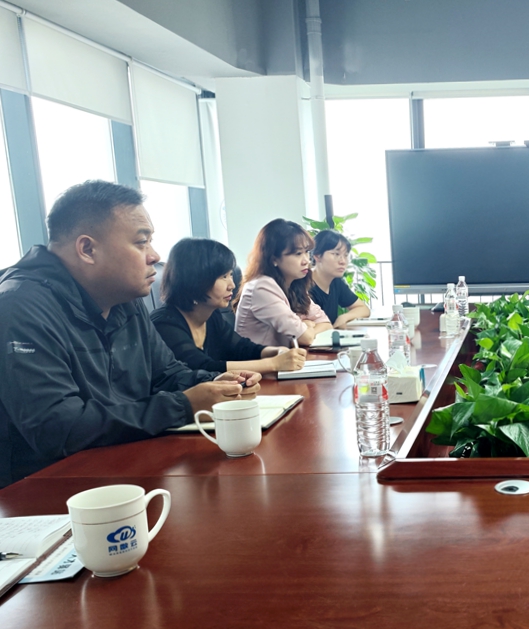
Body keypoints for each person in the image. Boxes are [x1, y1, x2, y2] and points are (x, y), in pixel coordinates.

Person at [0, 180, 261, 487]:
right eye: (141, 242)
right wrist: (183, 405)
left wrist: (215, 383)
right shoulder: (20, 306)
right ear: (87, 249)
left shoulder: (123, 298)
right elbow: (57, 428)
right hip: (49, 491)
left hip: (129, 467)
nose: (154, 255)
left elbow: (166, 374)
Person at [151, 238, 308, 374]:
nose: (232, 285)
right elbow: (201, 367)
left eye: (231, 275)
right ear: (196, 281)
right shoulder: (164, 324)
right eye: (223, 277)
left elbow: (241, 348)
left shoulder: (211, 315)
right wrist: (273, 364)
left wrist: (276, 352)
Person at [235, 219, 333, 347]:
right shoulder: (261, 288)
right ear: (274, 259)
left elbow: (326, 324)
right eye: (298, 254)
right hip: (260, 359)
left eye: (307, 252)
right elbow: (305, 338)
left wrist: (306, 328)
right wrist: (307, 326)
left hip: (285, 357)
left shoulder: (293, 284)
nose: (306, 261)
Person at [309, 230, 371, 329]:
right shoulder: (303, 286)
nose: (343, 261)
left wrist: (344, 317)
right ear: (317, 256)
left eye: (345, 255)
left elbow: (363, 309)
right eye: (336, 254)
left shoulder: (335, 281)